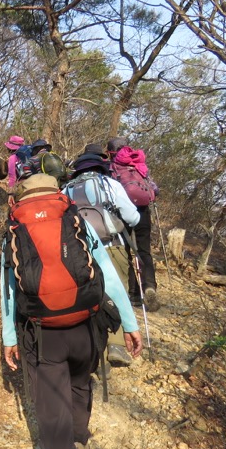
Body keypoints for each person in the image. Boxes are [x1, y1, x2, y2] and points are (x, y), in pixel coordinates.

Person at [1, 173, 143, 449]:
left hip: (42, 334)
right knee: (81, 380)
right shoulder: (75, 218)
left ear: (22, 198)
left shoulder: (15, 230)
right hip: (85, 327)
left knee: (52, 421)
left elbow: (9, 290)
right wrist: (129, 323)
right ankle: (79, 438)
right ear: (57, 192)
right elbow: (107, 274)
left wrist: (9, 337)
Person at [63, 150, 141, 369]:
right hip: (110, 245)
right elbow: (133, 217)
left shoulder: (66, 189)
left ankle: (91, 346)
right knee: (117, 290)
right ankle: (115, 345)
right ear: (100, 167)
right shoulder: (110, 184)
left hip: (79, 251)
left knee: (88, 296)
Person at [108, 136, 160, 312]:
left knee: (126, 250)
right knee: (144, 250)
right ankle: (150, 286)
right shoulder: (138, 163)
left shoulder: (113, 166)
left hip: (122, 212)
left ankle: (134, 294)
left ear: (110, 152)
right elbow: (154, 189)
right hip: (143, 211)